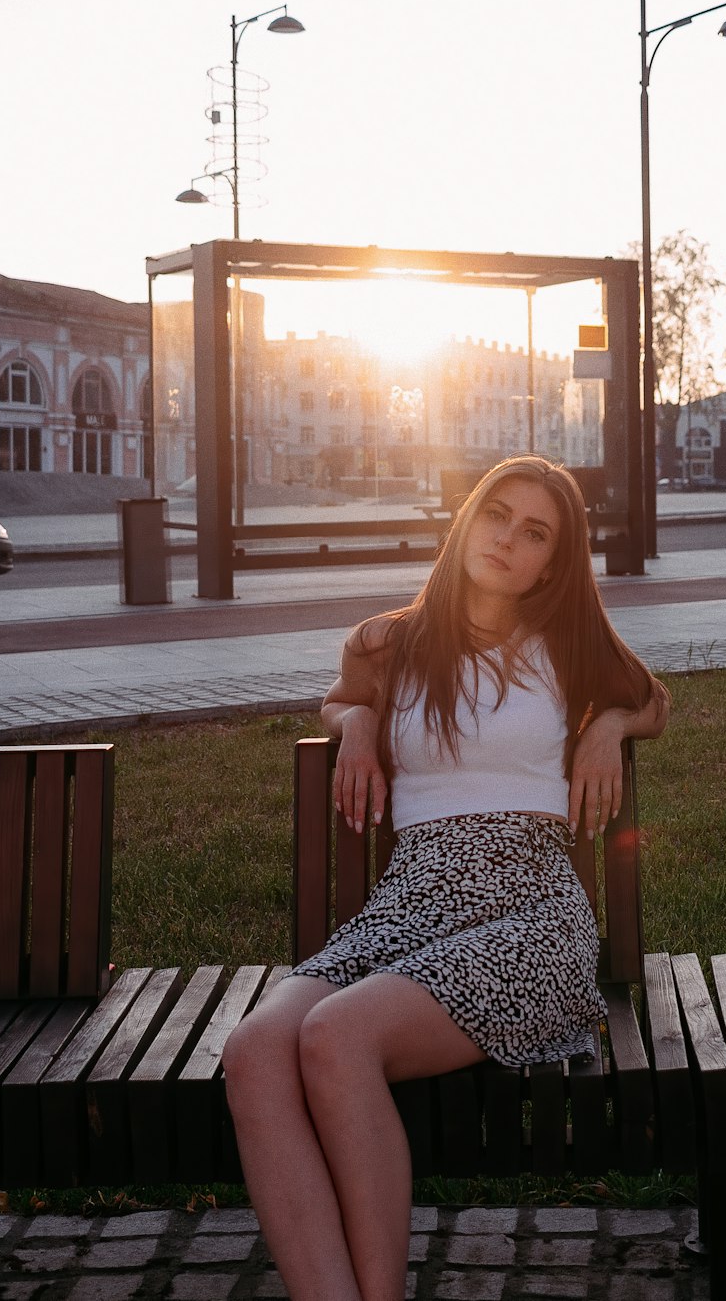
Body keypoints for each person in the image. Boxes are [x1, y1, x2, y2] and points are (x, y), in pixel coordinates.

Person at [223, 455, 670, 1301]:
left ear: (551, 561)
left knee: (337, 1036)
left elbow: (655, 700)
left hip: (529, 910)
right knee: (253, 1051)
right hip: (409, 906)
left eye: (534, 532)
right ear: (466, 517)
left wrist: (609, 723)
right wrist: (356, 720)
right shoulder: (387, 642)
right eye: (497, 514)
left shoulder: (566, 644)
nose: (507, 539)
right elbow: (337, 696)